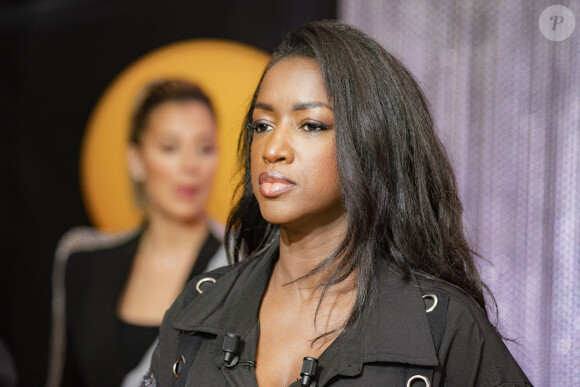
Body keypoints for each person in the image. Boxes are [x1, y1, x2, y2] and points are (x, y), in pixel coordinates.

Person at [146, 20, 532, 386]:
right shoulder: (197, 311)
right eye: (262, 125)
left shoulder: (445, 327)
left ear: (371, 142)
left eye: (310, 125)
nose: (273, 149)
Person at [47, 79, 228, 387]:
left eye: (204, 148)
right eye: (170, 147)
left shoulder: (239, 268)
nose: (190, 166)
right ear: (136, 160)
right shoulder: (83, 263)